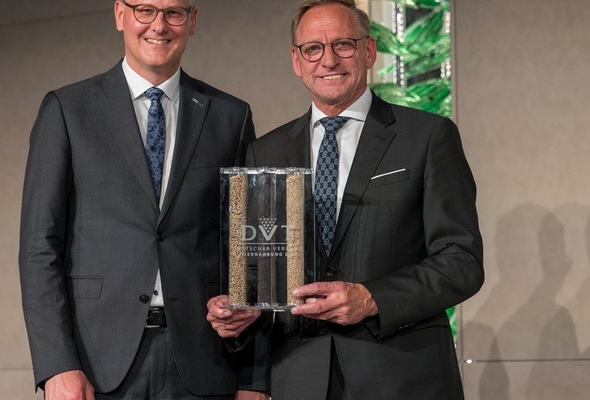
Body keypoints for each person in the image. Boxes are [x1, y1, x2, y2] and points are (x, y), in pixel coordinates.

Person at [206, 0, 484, 399]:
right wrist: (239, 309)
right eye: (313, 49)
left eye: (344, 45)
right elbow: (258, 270)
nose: (328, 60)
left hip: (403, 376)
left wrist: (372, 299)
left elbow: (462, 261)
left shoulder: (427, 136)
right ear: (296, 61)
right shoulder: (264, 152)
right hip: (299, 377)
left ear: (369, 51)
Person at [19, 1, 268, 399]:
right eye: (145, 10)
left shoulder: (230, 117)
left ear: (193, 21)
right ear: (120, 14)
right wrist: (57, 366)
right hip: (96, 366)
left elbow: (249, 252)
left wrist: (255, 379)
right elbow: (38, 248)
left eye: (174, 13)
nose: (159, 26)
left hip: (205, 363)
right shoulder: (67, 110)